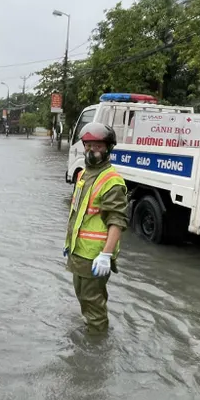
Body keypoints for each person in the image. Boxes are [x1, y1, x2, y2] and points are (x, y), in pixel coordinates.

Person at [64, 122, 129, 334]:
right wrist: (69, 243)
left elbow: (117, 221)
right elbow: (78, 213)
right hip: (79, 251)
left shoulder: (112, 181)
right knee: (83, 296)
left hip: (95, 256)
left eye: (99, 146)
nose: (93, 150)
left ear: (108, 148)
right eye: (89, 145)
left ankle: (97, 344)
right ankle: (93, 330)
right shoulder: (83, 174)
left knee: (93, 302)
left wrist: (106, 255)